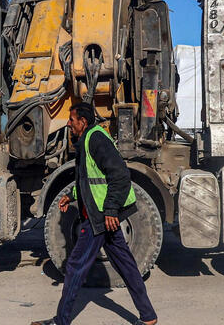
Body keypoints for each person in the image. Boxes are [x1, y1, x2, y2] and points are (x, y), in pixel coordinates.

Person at [32, 103, 157, 325]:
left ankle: (61, 321)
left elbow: (119, 175)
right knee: (127, 265)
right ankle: (148, 317)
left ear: (83, 122)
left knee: (75, 266)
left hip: (98, 217)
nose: (69, 124)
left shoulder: (95, 139)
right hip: (101, 215)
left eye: (72, 120)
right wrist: (70, 195)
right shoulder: (87, 140)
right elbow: (89, 179)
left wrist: (110, 210)